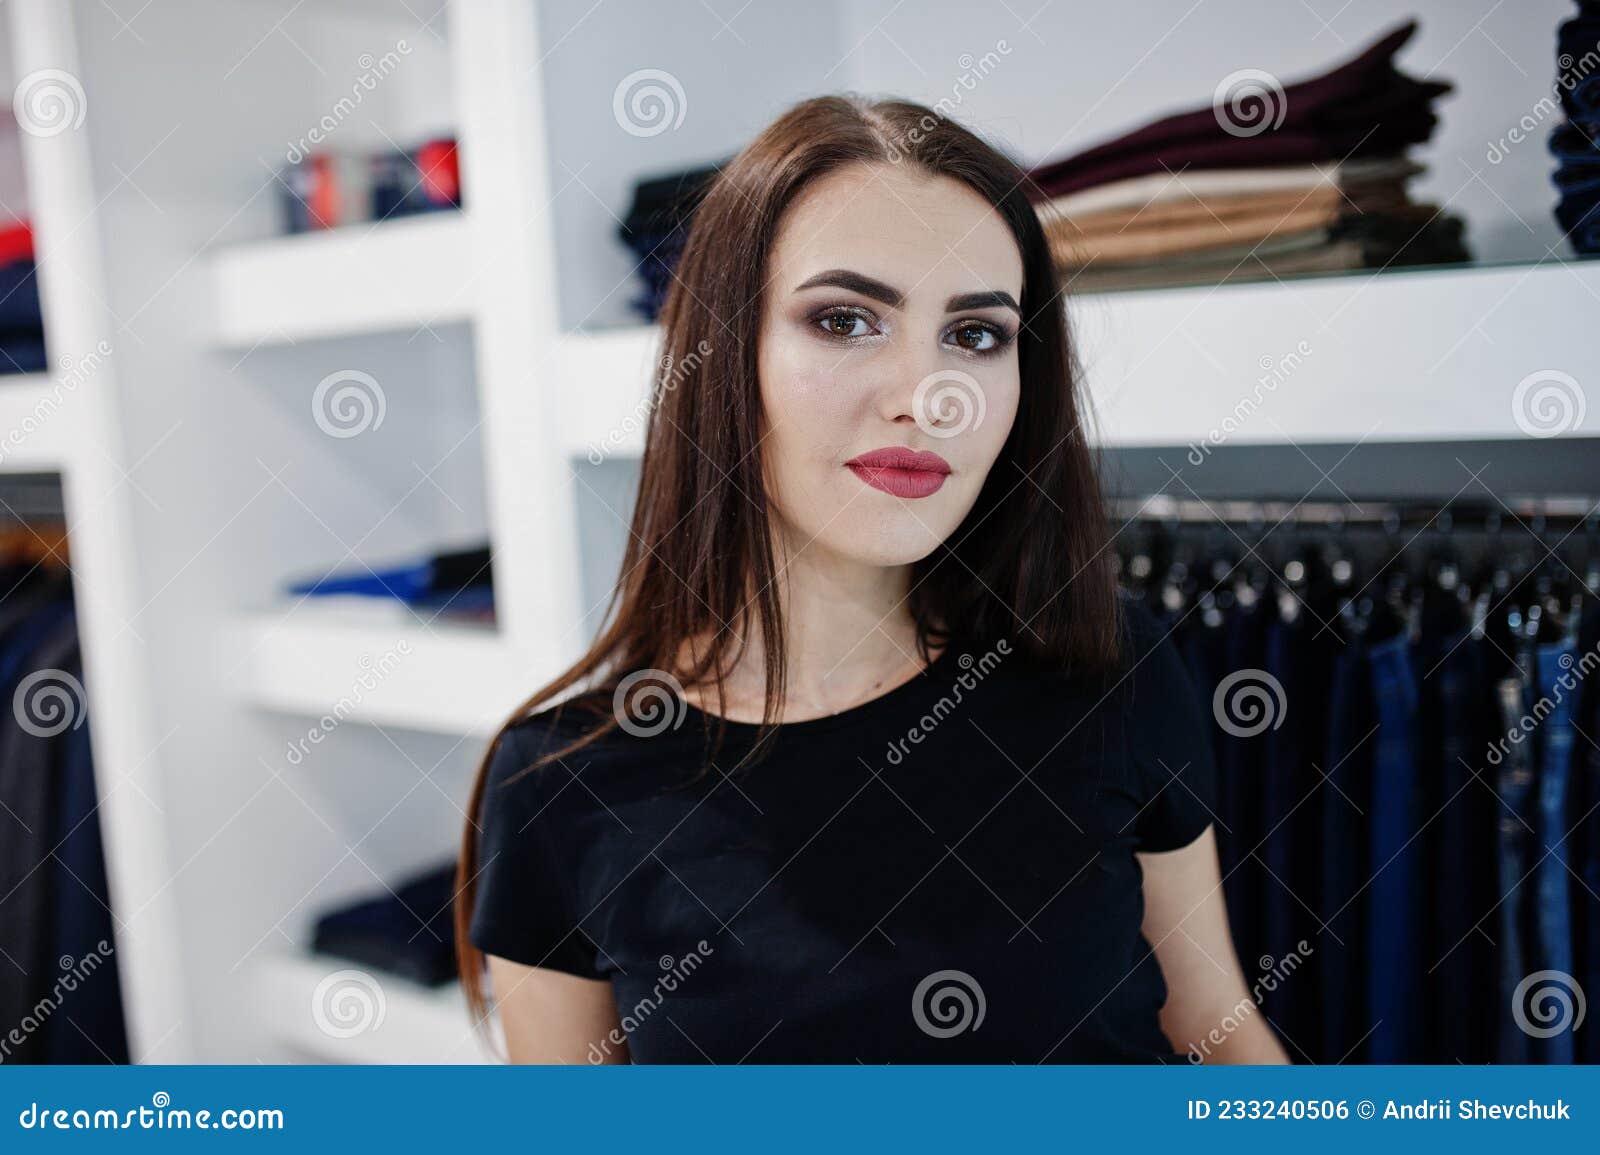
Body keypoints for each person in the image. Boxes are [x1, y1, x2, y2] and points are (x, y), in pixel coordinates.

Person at [455, 95, 1287, 1065]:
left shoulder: (1107, 667)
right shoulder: (567, 784)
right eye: (845, 321)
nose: (925, 396)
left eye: (975, 336)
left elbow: (1221, 1045)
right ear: (721, 356)